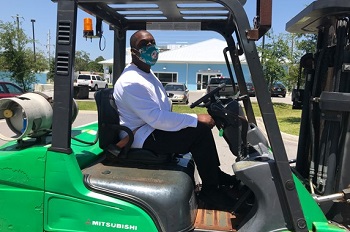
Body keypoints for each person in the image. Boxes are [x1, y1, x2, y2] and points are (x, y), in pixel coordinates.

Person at [113, 30, 236, 209]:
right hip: (141, 136)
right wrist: (195, 118)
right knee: (199, 131)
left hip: (151, 128)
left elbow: (162, 109)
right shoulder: (131, 81)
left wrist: (189, 119)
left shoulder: (146, 74)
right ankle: (211, 191)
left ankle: (215, 176)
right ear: (133, 51)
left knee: (198, 129)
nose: (150, 47)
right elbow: (156, 118)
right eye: (143, 45)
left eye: (152, 42)